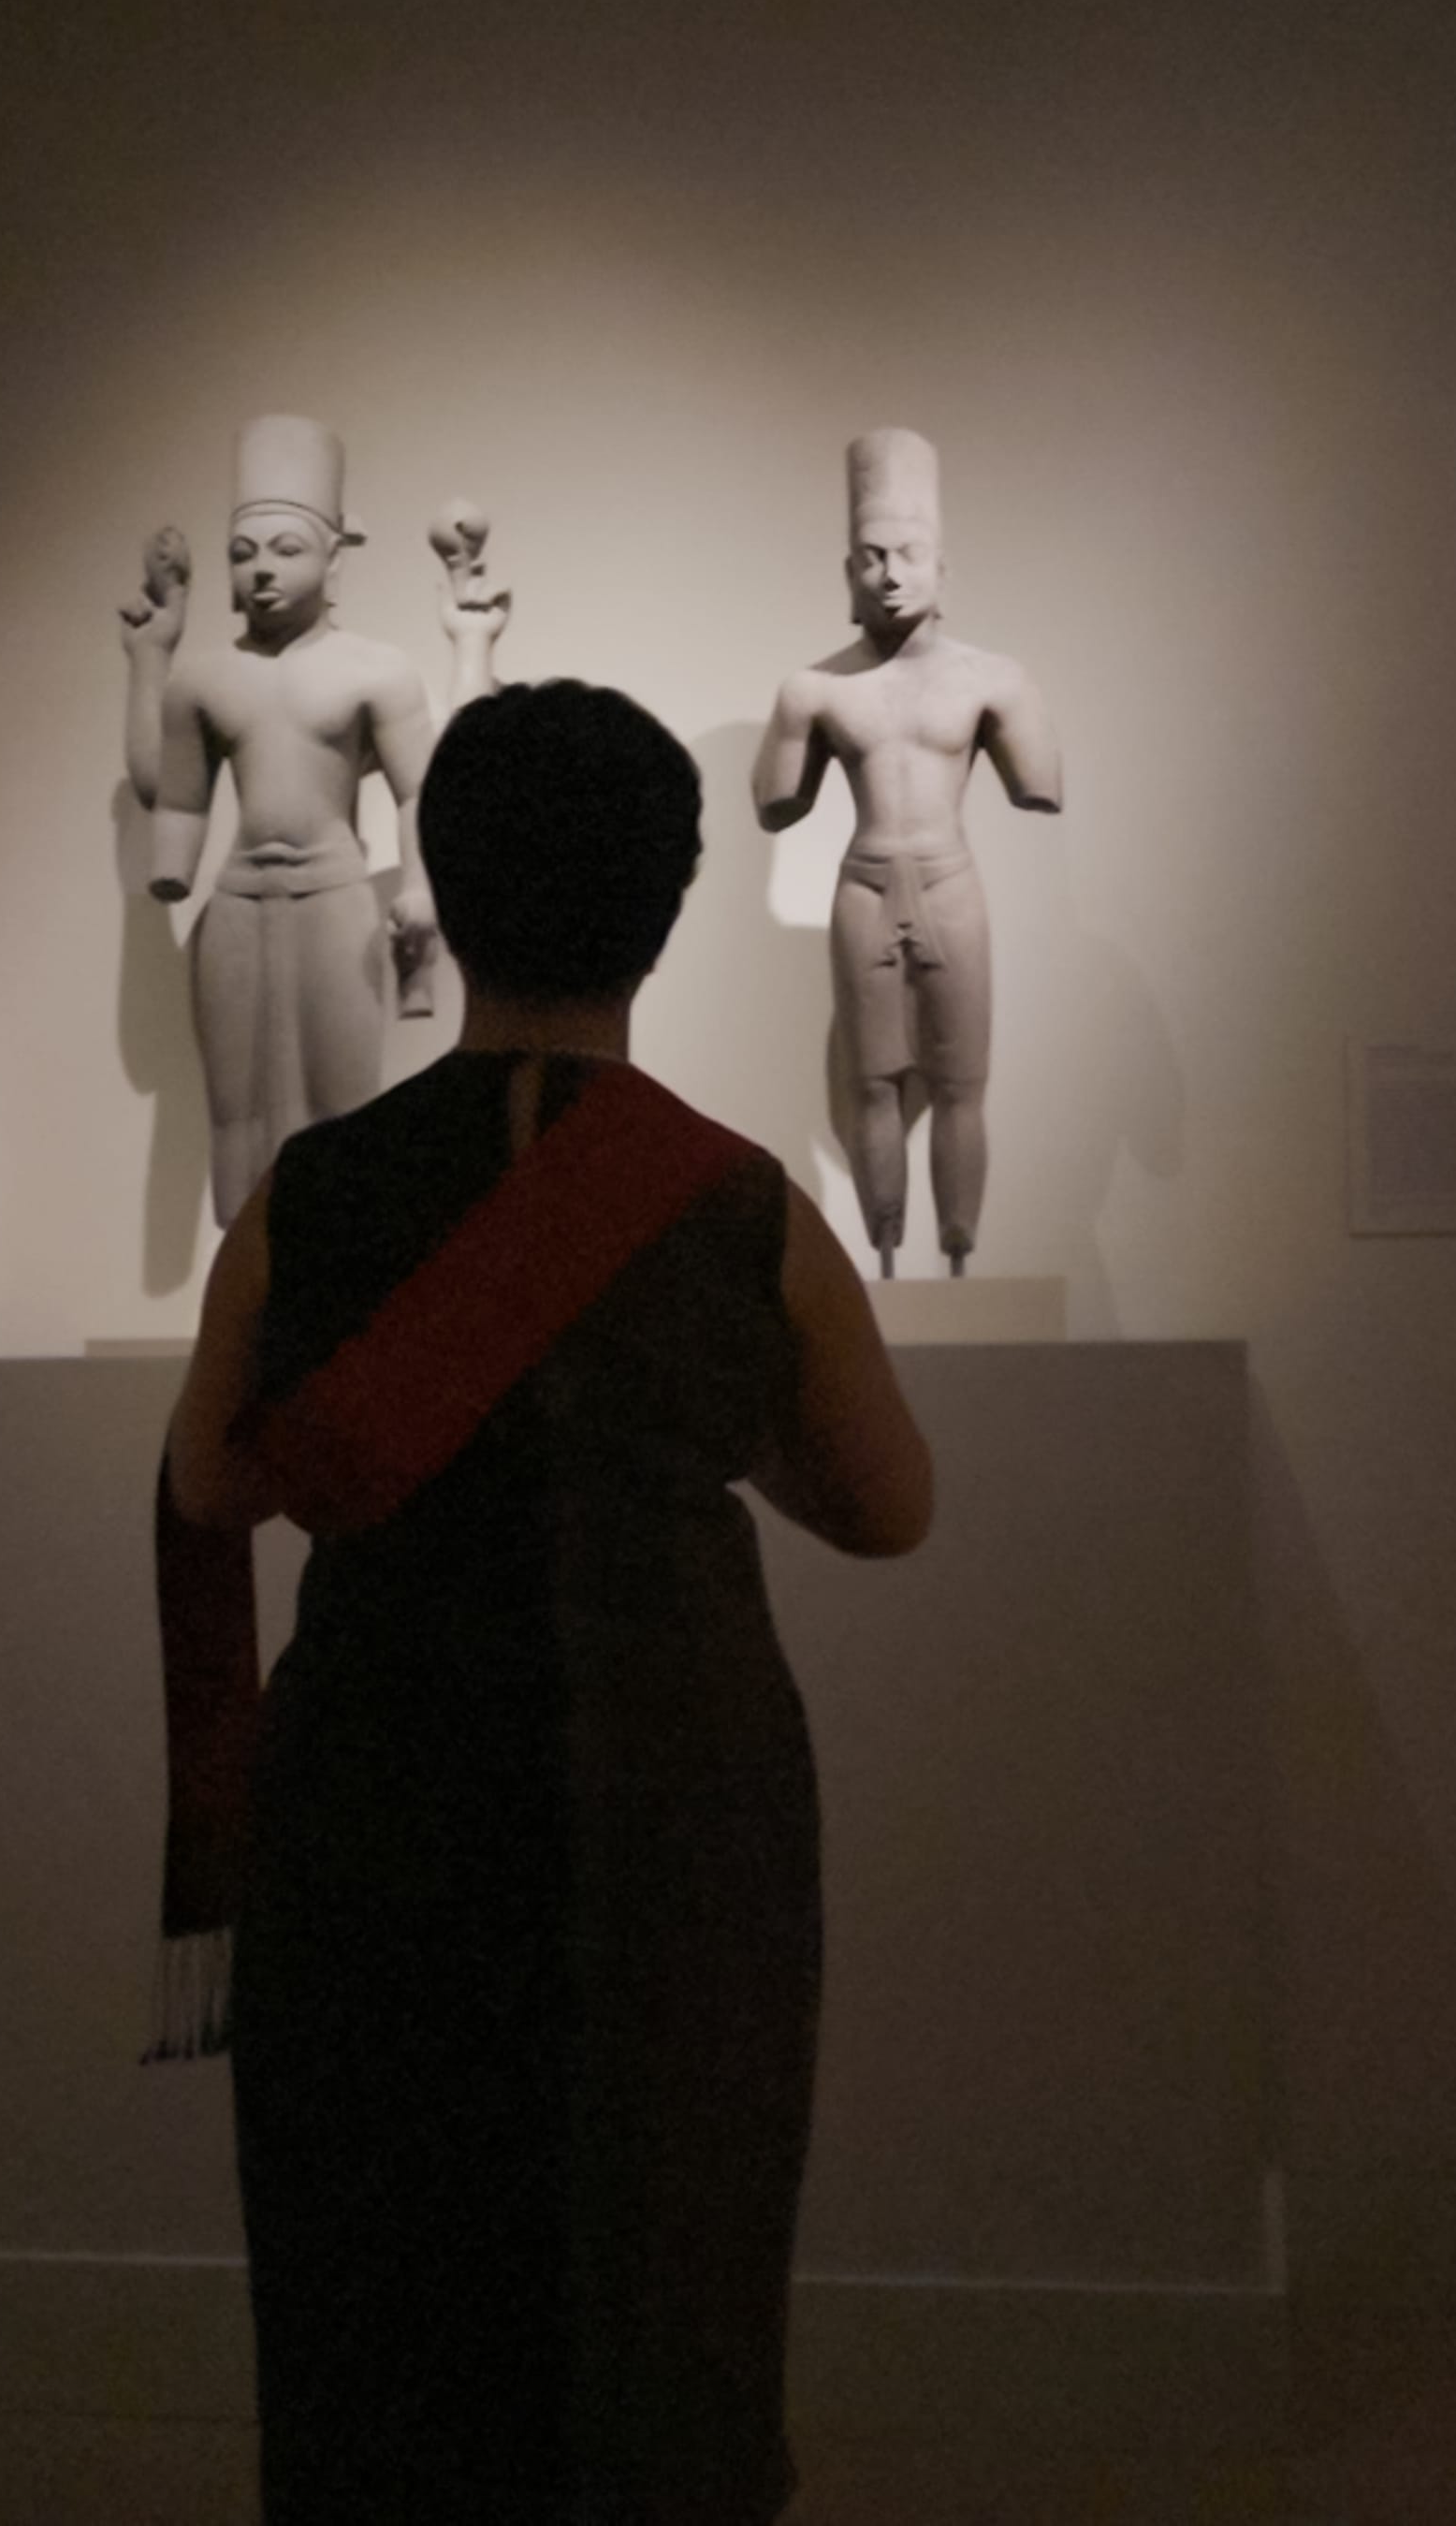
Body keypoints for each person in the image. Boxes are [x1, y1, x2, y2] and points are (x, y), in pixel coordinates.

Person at [157, 679, 933, 2524]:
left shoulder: (311, 1194)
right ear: (664, 907)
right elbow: (889, 1506)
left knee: (384, 2261)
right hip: (671, 1791)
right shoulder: (743, 1204)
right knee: (665, 2252)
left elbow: (210, 1484)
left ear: (438, 874)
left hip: (379, 1793)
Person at [120, 414, 504, 1225]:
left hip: (335, 898)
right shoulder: (205, 678)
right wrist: (152, 659)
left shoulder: (375, 671)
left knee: (342, 1106)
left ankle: (336, 1275)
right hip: (236, 901)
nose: (262, 570)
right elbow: (172, 791)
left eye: (286, 549)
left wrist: (423, 888)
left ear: (334, 560)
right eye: (243, 552)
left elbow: (422, 789)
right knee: (235, 1111)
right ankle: (249, 1280)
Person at [751, 427, 1062, 1276]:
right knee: (873, 1084)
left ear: (942, 570)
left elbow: (1042, 783)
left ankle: (958, 1245)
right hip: (864, 884)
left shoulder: (991, 678)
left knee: (962, 1085)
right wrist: (791, 724)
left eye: (909, 555)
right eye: (872, 557)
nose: (890, 575)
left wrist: (1021, 711)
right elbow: (774, 802)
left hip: (950, 883)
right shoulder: (816, 689)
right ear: (848, 573)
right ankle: (885, 1254)